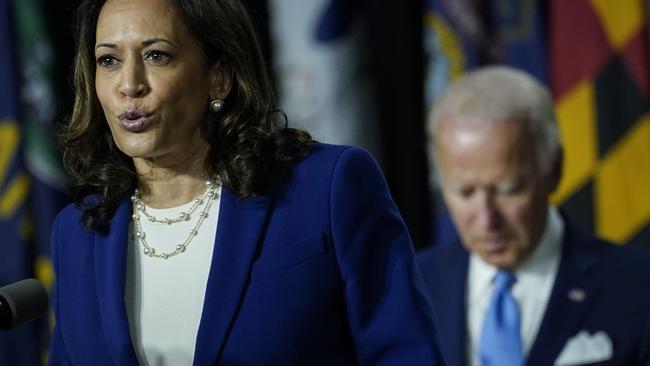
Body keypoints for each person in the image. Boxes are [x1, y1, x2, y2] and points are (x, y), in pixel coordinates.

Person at [48, 0, 445, 365]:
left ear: (218, 77)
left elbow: (405, 354)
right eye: (109, 60)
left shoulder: (325, 187)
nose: (129, 84)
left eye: (156, 55)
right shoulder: (78, 232)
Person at [417, 66, 650, 366]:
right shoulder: (411, 287)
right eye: (464, 193)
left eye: (508, 190)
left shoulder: (638, 287)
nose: (487, 220)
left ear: (554, 170)